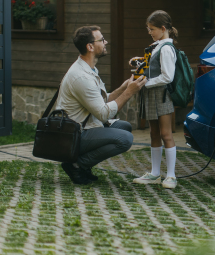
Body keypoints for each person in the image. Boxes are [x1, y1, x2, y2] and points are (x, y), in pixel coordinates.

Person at [56, 25, 147, 185]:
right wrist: (129, 92)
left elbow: (101, 103)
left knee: (124, 127)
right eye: (101, 40)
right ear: (90, 47)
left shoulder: (89, 70)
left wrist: (124, 87)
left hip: (85, 127)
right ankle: (77, 165)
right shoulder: (81, 77)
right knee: (125, 139)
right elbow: (104, 114)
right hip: (74, 134)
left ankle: (82, 164)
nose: (106, 42)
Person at [130, 10, 179, 189]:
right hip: (152, 94)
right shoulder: (157, 45)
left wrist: (146, 82)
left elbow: (168, 77)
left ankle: (171, 176)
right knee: (154, 134)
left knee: (166, 134)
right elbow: (153, 64)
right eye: (148, 29)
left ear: (163, 28)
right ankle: (155, 173)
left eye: (152, 29)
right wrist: (139, 62)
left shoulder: (166, 48)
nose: (149, 32)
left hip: (161, 95)